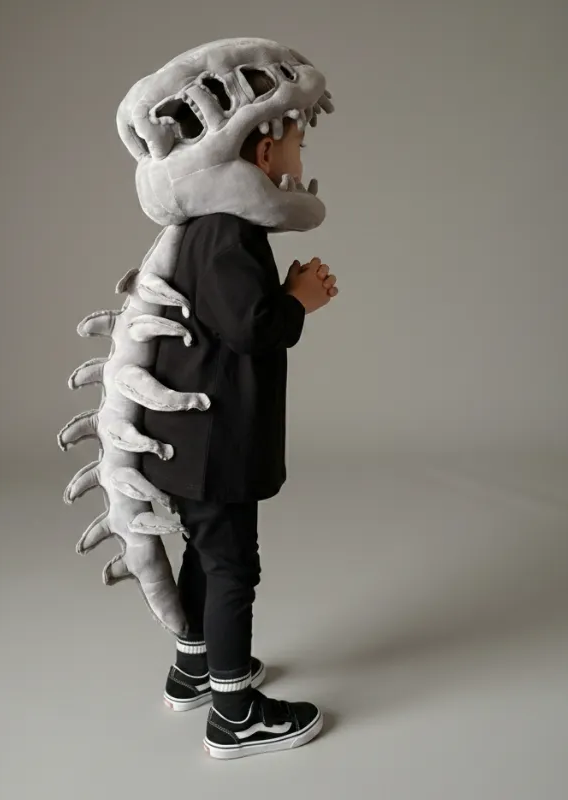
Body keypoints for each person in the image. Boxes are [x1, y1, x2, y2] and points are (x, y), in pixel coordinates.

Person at [140, 109, 339, 759]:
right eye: (297, 142)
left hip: (193, 441)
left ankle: (195, 669)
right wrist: (298, 299)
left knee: (206, 553)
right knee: (232, 566)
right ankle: (234, 714)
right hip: (213, 444)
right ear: (265, 154)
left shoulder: (210, 225)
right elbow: (250, 327)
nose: (301, 155)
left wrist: (281, 294)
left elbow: (228, 318)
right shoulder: (228, 229)